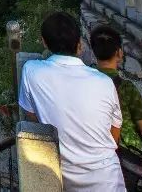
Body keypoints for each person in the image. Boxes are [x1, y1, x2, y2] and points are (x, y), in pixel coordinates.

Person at [19, 12, 126, 192]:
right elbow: (114, 134)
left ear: (44, 42)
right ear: (79, 44)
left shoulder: (31, 71)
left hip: (60, 177)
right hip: (106, 180)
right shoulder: (104, 82)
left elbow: (33, 117)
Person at [89, 24, 142, 155]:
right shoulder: (127, 88)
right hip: (128, 157)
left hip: (92, 152)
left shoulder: (85, 81)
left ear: (94, 51)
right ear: (119, 53)